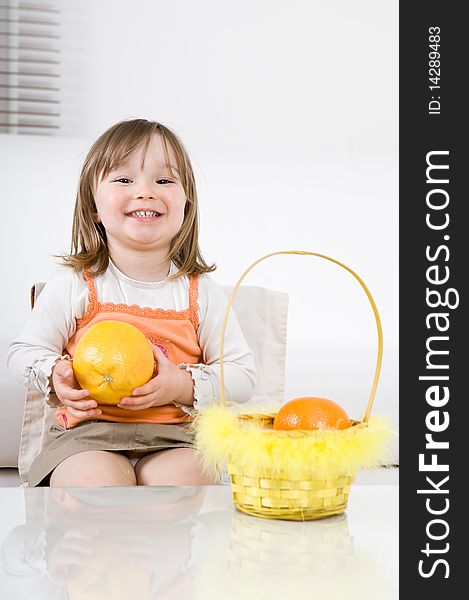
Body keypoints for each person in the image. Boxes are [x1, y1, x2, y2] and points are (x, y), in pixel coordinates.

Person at [7, 119, 256, 487]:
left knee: (182, 488)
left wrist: (180, 386)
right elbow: (21, 352)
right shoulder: (77, 283)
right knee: (96, 487)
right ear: (94, 206)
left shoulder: (200, 290)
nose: (145, 192)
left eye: (164, 181)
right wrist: (55, 374)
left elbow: (243, 376)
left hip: (177, 438)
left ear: (186, 206)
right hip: (88, 438)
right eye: (124, 180)